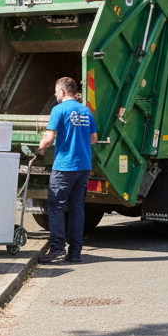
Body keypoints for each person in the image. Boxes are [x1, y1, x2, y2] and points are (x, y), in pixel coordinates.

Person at [37, 76, 97, 263]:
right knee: (77, 208)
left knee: (55, 206)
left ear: (63, 91)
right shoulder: (86, 111)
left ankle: (56, 249)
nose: (55, 94)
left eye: (56, 91)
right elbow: (93, 138)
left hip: (65, 166)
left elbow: (49, 136)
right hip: (83, 166)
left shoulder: (58, 110)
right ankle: (75, 253)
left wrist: (41, 148)